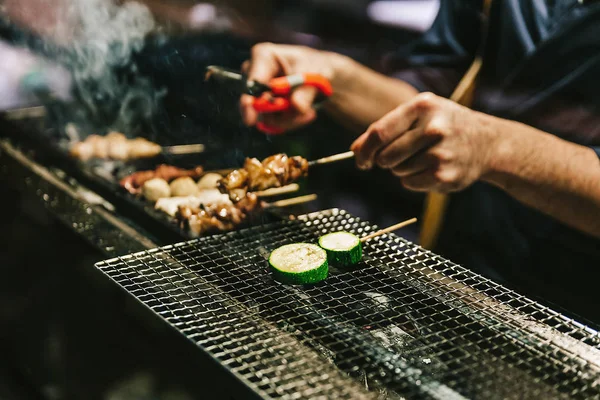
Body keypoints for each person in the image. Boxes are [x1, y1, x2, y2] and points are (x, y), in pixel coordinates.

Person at [239, 1, 600, 321]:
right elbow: (433, 93)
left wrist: (498, 148)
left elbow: (478, 135)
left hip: (578, 305)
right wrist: (337, 76)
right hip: (459, 270)